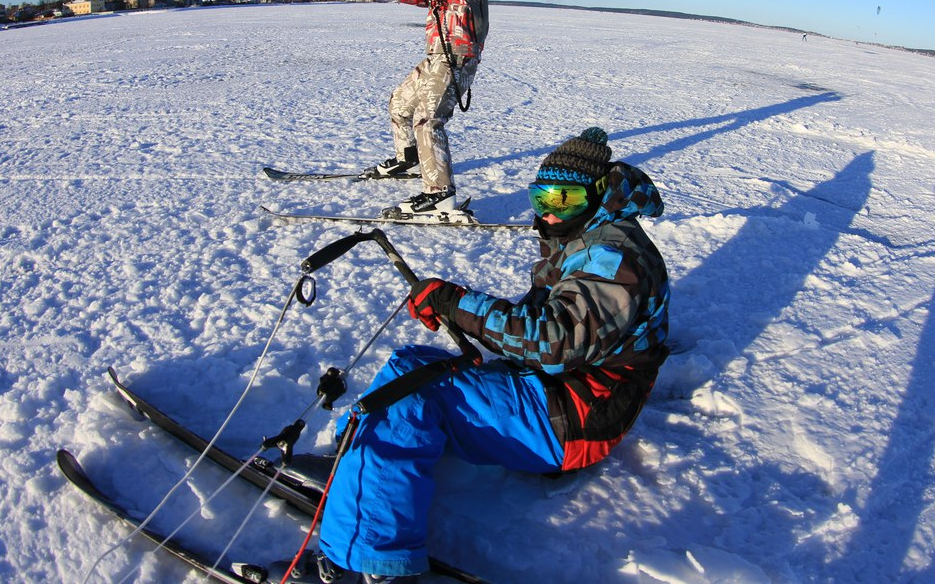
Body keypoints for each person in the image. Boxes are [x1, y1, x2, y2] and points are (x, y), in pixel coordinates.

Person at [255, 127, 670, 583]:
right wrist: (466, 315)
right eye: (542, 198)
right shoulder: (592, 235)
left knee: (407, 395)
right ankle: (360, 468)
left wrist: (458, 304)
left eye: (564, 200)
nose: (549, 214)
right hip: (558, 396)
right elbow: (553, 322)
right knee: (409, 366)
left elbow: (555, 341)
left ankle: (360, 562)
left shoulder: (612, 256)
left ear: (597, 195)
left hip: (573, 420)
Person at [366, 0, 491, 216]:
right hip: (435, 58)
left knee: (428, 118)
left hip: (458, 57)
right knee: (399, 103)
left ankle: (439, 194)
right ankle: (409, 157)